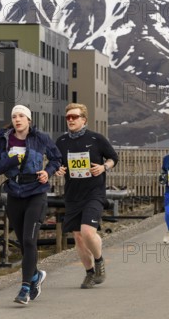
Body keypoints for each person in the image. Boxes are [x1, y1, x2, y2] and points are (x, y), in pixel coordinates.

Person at [0, 105, 62, 305]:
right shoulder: (3, 140)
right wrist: (10, 161)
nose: (17, 119)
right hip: (14, 194)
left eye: (21, 116)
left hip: (36, 192)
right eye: (14, 116)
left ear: (29, 119)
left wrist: (48, 172)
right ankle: (36, 275)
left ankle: (25, 287)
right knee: (22, 242)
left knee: (29, 240)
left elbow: (56, 159)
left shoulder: (40, 138)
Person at [55, 103, 119, 289]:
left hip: (94, 192)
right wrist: (58, 169)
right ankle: (90, 273)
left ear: (84, 119)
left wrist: (103, 167)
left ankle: (99, 261)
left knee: (87, 231)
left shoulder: (96, 138)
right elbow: (57, 163)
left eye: (75, 117)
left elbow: (113, 158)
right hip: (73, 194)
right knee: (78, 237)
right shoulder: (61, 142)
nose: (71, 120)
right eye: (68, 117)